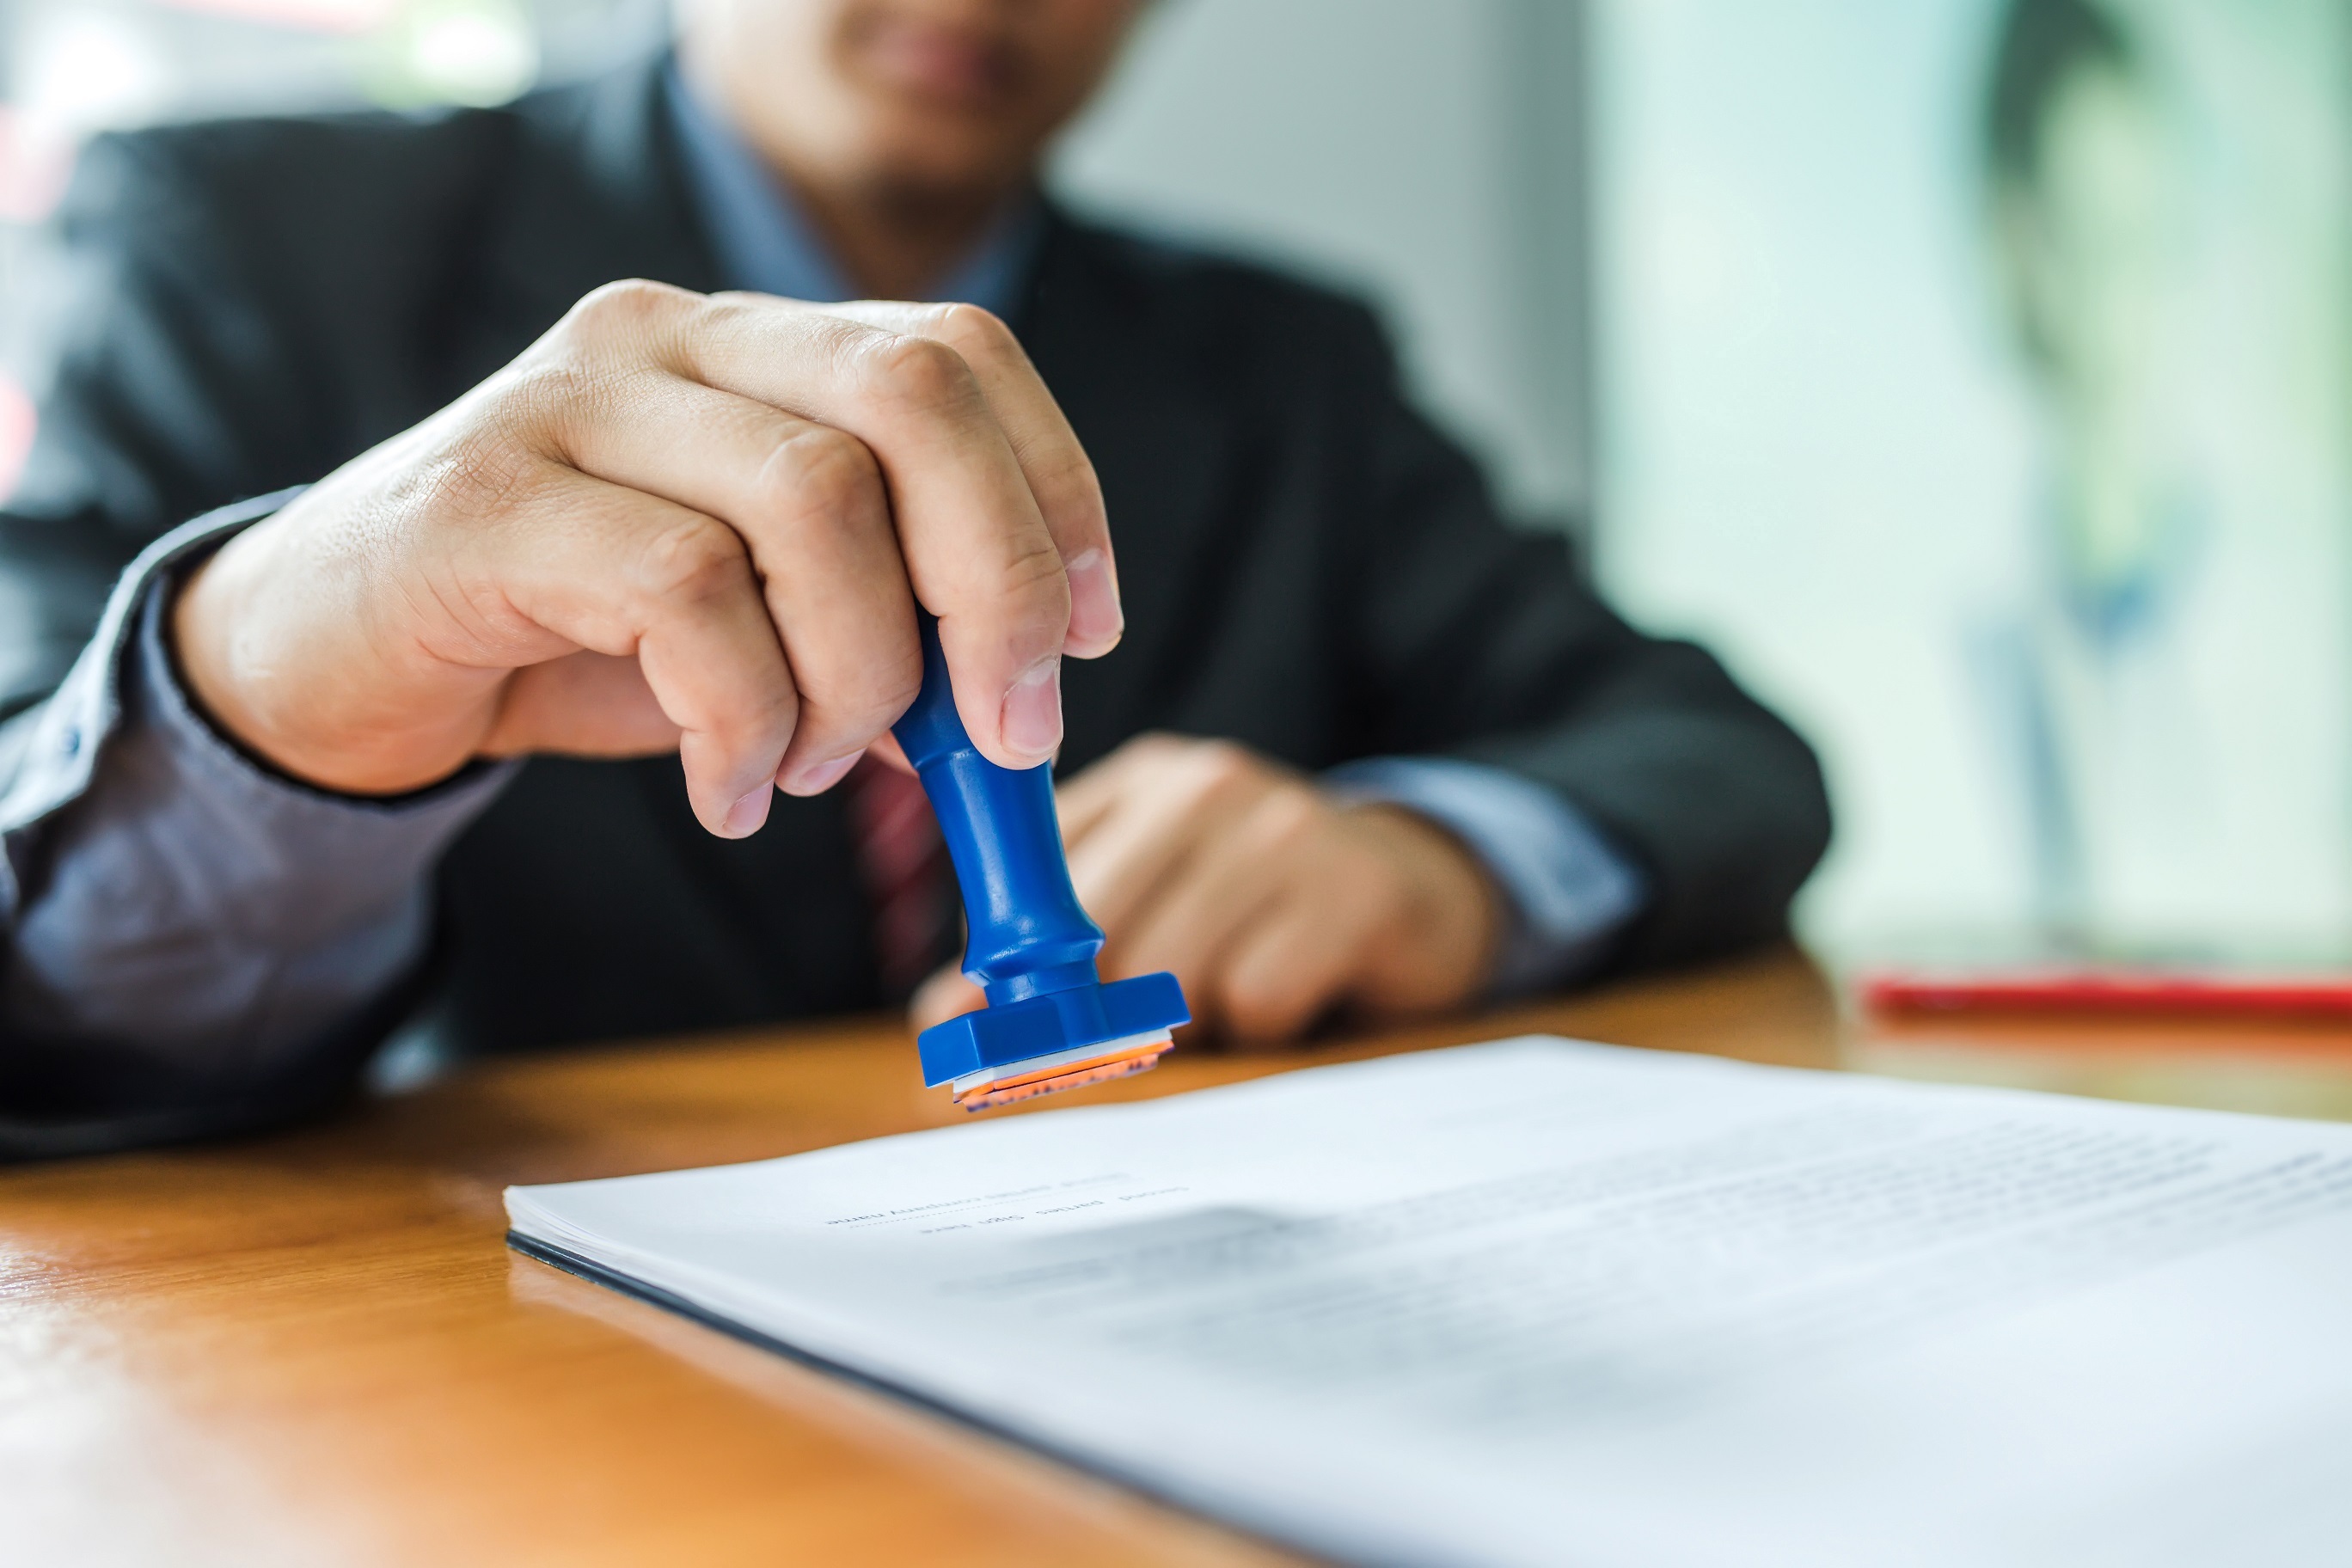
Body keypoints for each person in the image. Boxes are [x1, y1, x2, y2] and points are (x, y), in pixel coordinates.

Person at [0, 0, 1829, 1156]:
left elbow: (1715, 750)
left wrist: (1442, 863)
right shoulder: (241, 241)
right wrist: (247, 696)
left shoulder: (1288, 366)